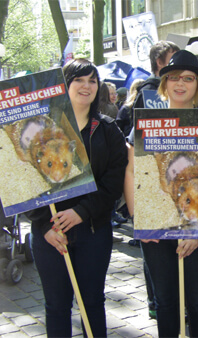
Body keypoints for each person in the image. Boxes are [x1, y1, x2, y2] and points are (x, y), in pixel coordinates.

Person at [27, 58, 128, 337]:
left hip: (93, 230)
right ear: (64, 85)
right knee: (56, 305)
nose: (86, 86)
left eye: (92, 80)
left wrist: (82, 212)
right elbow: (23, 182)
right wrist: (44, 225)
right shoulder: (42, 127)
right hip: (50, 231)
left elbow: (113, 181)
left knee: (92, 302)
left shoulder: (108, 129)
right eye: (79, 80)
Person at [125, 50, 198, 337]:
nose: (181, 84)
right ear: (164, 83)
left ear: (197, 86)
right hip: (155, 227)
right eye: (174, 77)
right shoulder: (146, 122)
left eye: (188, 78)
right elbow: (131, 172)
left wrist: (197, 229)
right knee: (165, 302)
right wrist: (139, 219)